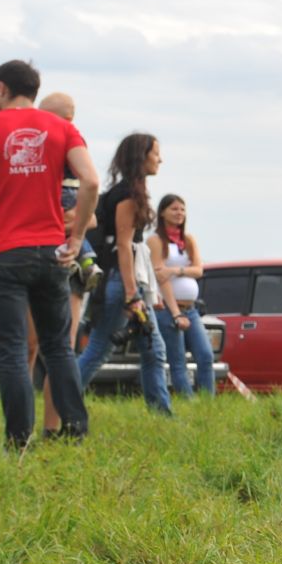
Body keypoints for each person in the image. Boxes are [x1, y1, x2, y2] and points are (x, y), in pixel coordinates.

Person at [0, 60, 98, 447]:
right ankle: (75, 432)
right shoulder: (63, 128)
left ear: (0, 88)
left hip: (2, 253)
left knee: (12, 351)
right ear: (33, 89)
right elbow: (91, 181)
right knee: (58, 347)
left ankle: (17, 441)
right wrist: (76, 237)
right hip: (51, 252)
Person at [77, 133, 174, 414]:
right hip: (123, 283)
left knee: (153, 350)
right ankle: (61, 400)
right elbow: (123, 246)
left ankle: (162, 414)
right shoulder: (128, 195)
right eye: (156, 153)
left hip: (129, 282)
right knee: (98, 350)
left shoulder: (133, 191)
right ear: (141, 156)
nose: (160, 159)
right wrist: (132, 295)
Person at [22, 90, 91, 435]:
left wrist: (70, 224)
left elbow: (88, 217)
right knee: (30, 345)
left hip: (65, 261)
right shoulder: (28, 155)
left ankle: (51, 428)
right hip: (34, 254)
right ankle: (23, 427)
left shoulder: (74, 153)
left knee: (60, 346)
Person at [149, 194, 216, 397]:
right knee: (178, 361)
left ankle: (207, 401)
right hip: (169, 309)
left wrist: (176, 270)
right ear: (162, 212)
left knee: (205, 355)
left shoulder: (187, 240)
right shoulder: (155, 240)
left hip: (191, 309)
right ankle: (189, 402)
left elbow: (198, 270)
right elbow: (161, 277)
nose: (179, 213)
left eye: (182, 209)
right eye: (174, 209)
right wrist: (176, 313)